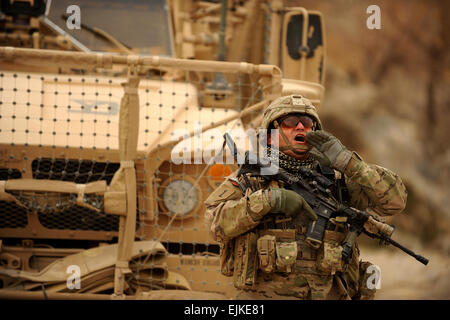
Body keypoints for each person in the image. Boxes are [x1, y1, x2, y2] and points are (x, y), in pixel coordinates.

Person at [204, 94, 407, 300]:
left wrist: (347, 162)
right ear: (269, 136)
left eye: (308, 123)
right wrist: (266, 201)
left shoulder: (338, 182)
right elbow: (213, 223)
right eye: (290, 122)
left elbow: (395, 202)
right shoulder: (252, 179)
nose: (301, 127)